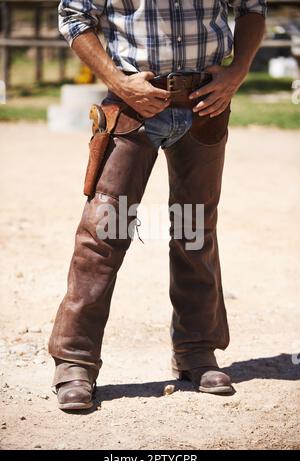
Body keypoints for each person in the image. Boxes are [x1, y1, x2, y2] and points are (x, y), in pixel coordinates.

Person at [49, 0, 266, 410]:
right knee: (103, 233)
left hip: (206, 105)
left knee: (194, 229)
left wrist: (238, 71)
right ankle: (74, 361)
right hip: (132, 105)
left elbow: (252, 7)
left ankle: (197, 351)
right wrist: (119, 81)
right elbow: (73, 16)